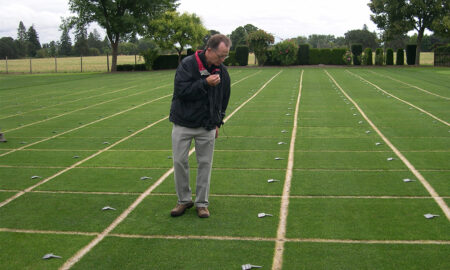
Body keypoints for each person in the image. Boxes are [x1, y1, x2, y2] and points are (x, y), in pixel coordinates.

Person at [169, 34, 231, 218]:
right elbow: (181, 91)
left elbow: (224, 98)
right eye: (220, 55)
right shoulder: (188, 65)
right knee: (179, 161)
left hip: (207, 125)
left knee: (205, 164)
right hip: (183, 122)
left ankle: (202, 203)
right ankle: (183, 200)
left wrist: (218, 121)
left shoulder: (222, 71)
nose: (222, 60)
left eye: (225, 56)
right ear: (209, 50)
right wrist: (204, 83)